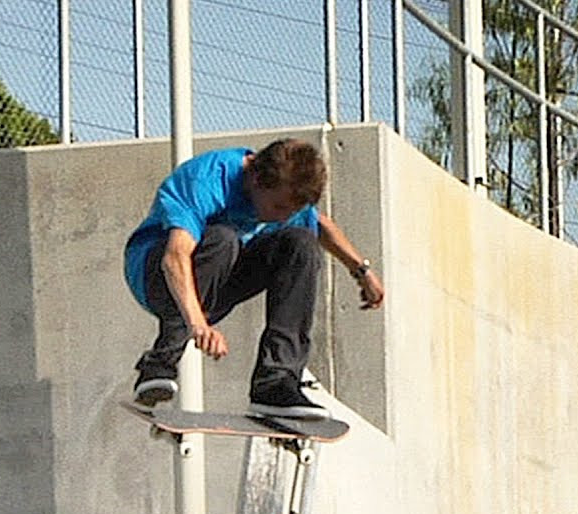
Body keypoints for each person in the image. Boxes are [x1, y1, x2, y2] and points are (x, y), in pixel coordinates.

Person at [123, 137, 385, 419]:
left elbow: (320, 226)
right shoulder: (209, 178)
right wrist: (198, 324)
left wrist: (362, 272)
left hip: (216, 283)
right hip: (156, 277)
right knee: (223, 238)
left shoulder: (282, 195)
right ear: (256, 178)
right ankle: (159, 365)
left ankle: (276, 384)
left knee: (300, 243)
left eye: (290, 211)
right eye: (278, 207)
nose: (281, 217)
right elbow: (174, 257)